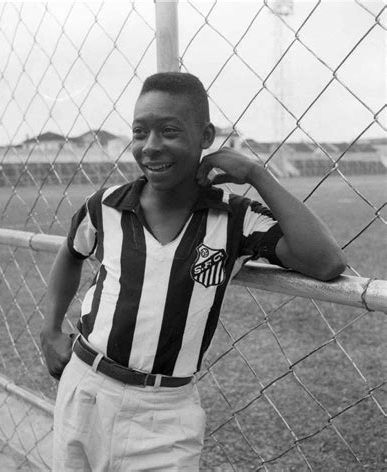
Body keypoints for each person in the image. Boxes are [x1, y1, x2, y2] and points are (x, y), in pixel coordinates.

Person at [40, 72, 346, 471]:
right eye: (139, 132)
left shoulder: (235, 219)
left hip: (165, 412)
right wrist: (49, 330)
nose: (150, 147)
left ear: (205, 136)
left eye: (169, 131)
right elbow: (71, 253)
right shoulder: (107, 206)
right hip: (85, 387)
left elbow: (325, 262)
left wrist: (256, 174)